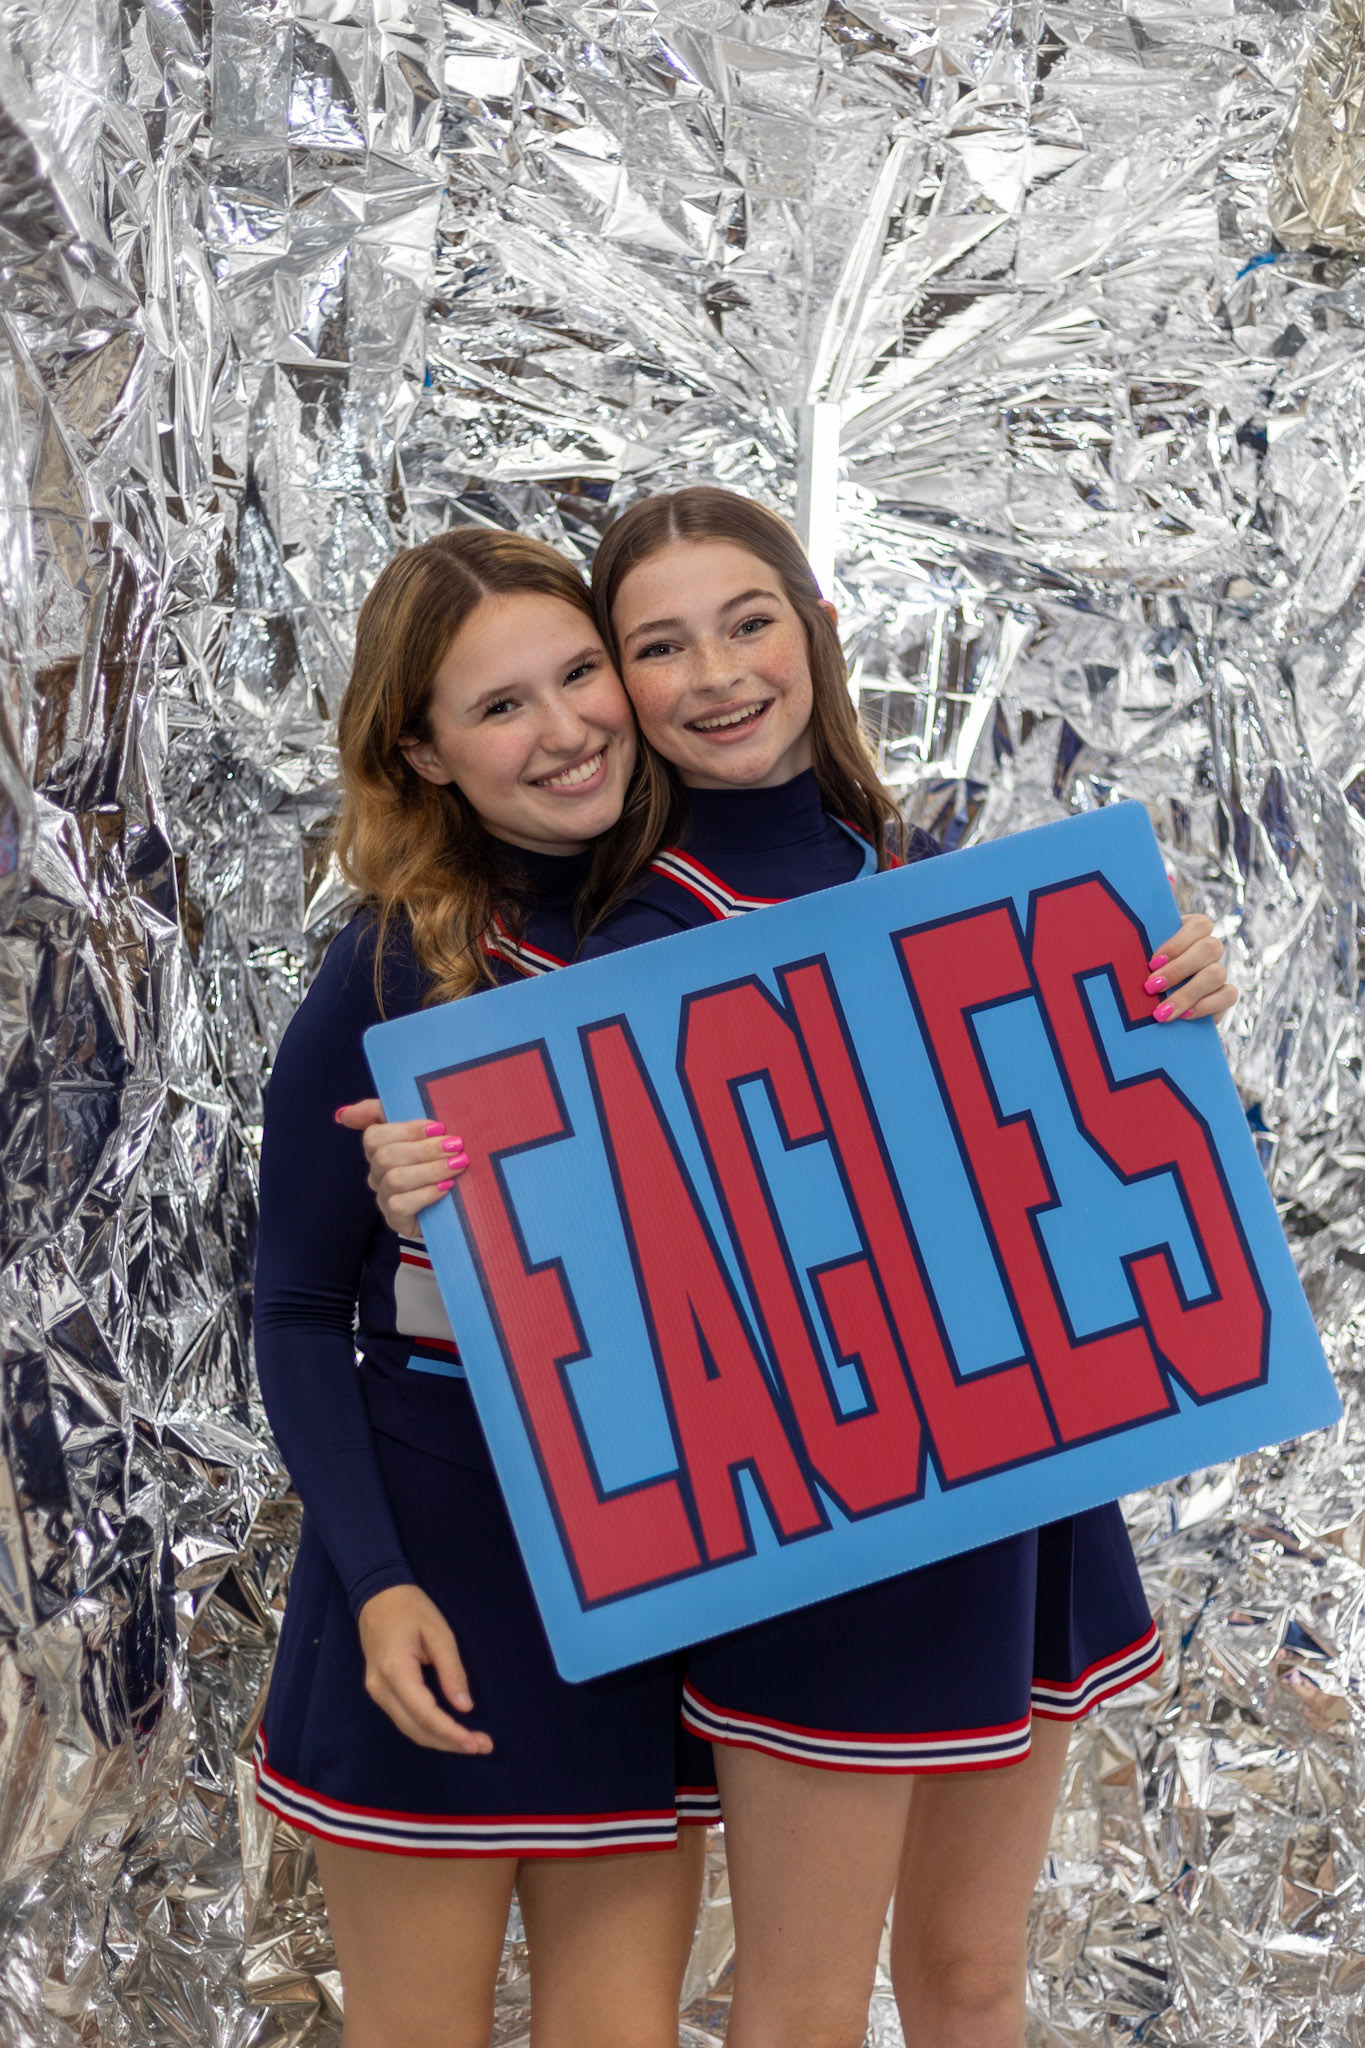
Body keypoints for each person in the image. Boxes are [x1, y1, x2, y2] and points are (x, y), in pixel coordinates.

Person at [351, 488, 1237, 2048]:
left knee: (974, 1980)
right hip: (829, 1531)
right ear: (623, 686)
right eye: (658, 645)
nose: (715, 673)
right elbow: (610, 1302)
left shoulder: (922, 870)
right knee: (807, 2005)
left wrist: (1153, 1000)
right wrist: (440, 1209)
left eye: (749, 622)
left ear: (819, 634)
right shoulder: (621, 956)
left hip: (1024, 1481)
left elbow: (1051, 1174)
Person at [251, 527, 718, 2048]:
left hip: (647, 1566)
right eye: (499, 706)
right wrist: (380, 1583)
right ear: (425, 753)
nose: (566, 726)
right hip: (437, 1561)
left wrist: (1148, 970)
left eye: (579, 671)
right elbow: (300, 1307)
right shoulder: (391, 964)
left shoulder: (713, 929)